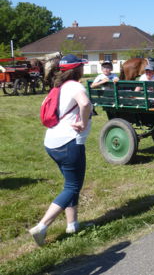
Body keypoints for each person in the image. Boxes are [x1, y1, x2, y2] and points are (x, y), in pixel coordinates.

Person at [28, 54, 92, 246]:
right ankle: (41, 227)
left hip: (52, 143)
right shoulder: (76, 86)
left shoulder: (58, 87)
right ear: (77, 69)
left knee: (70, 185)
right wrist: (82, 120)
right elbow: (85, 104)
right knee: (73, 187)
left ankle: (72, 225)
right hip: (69, 143)